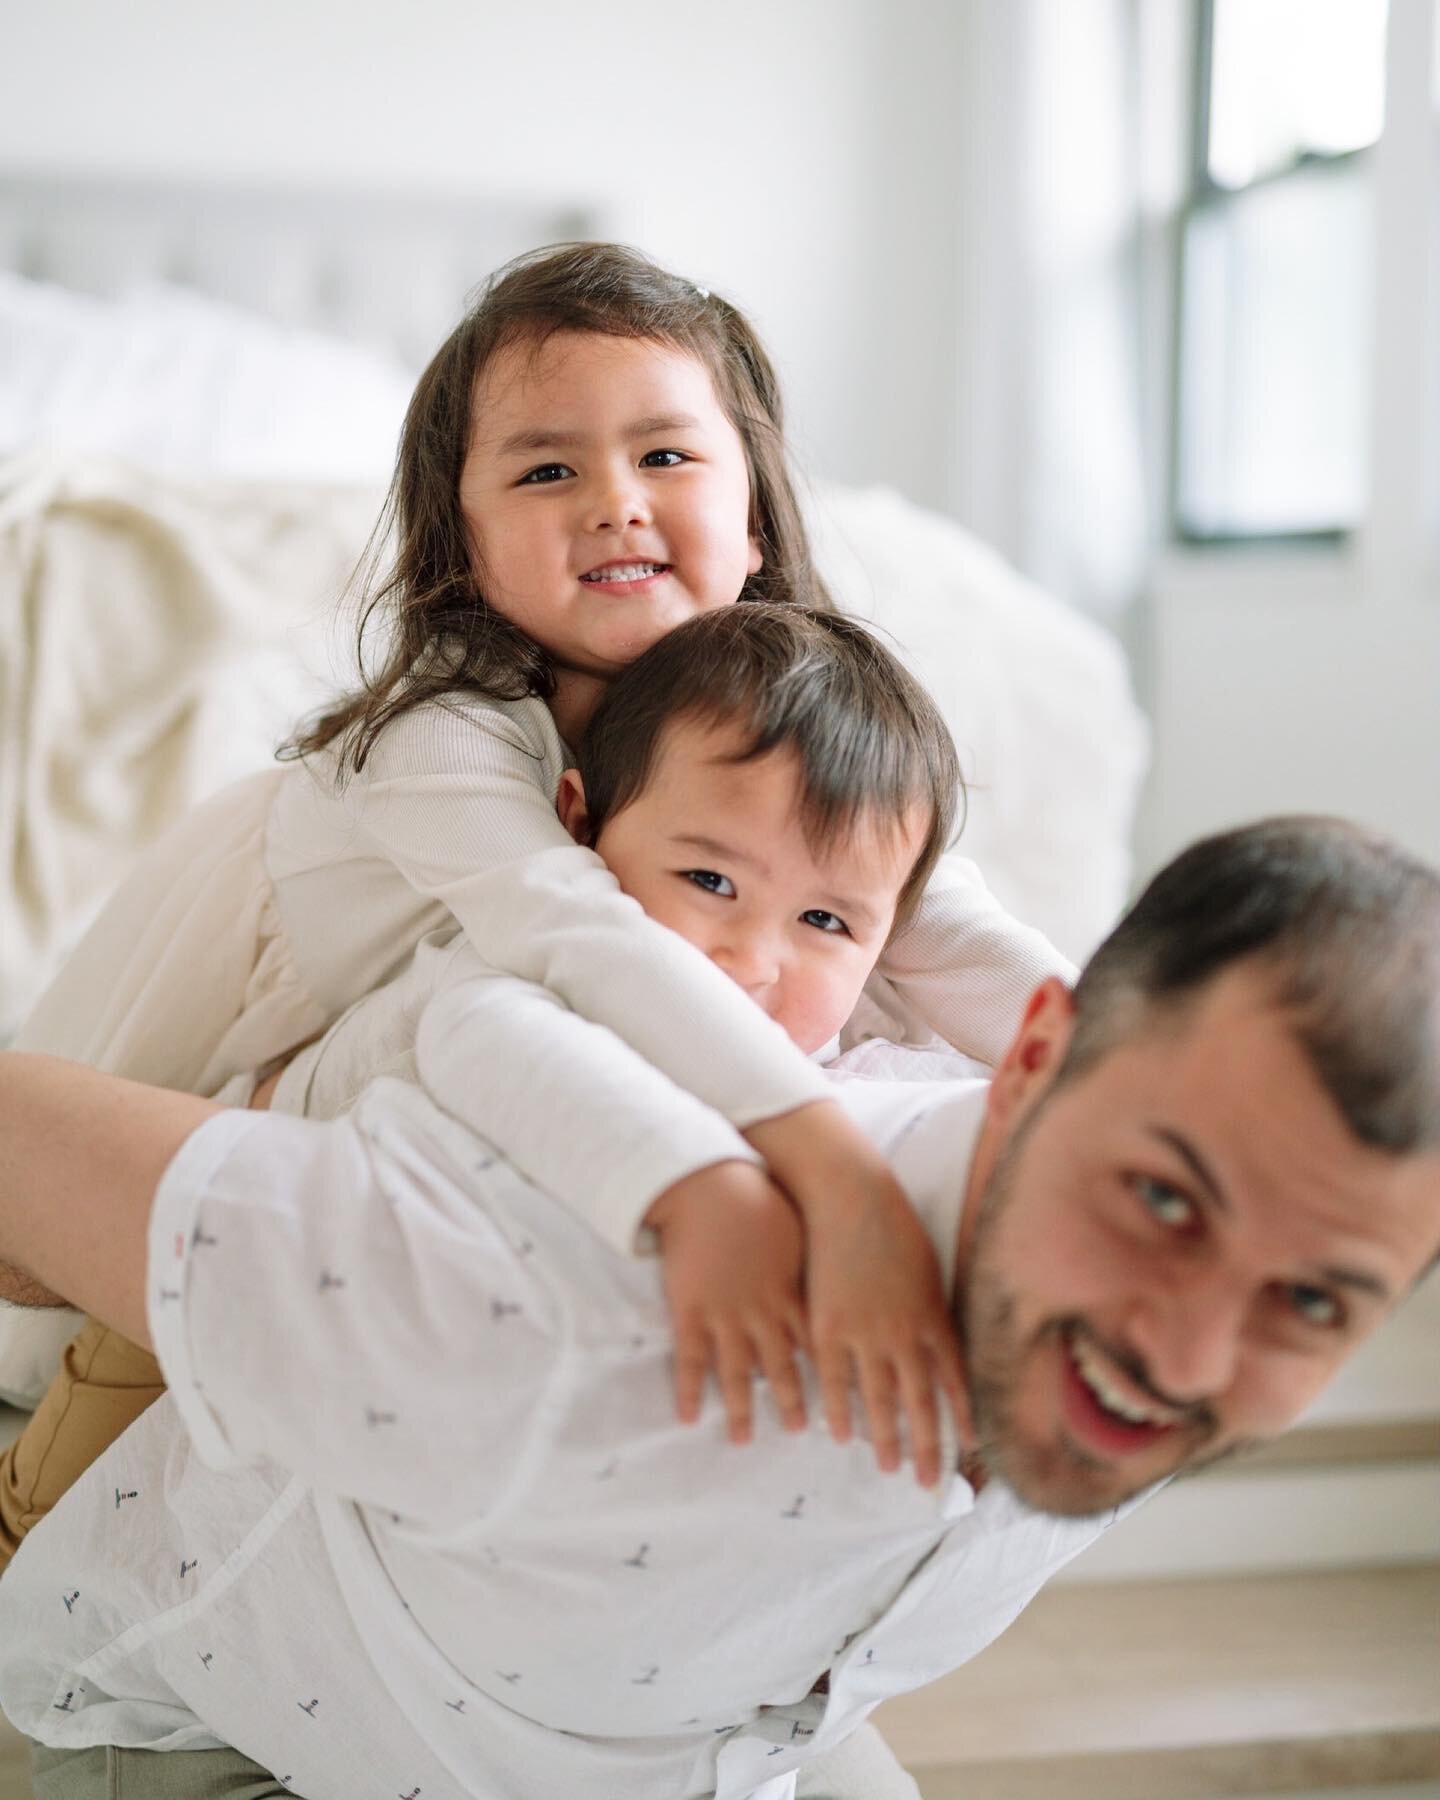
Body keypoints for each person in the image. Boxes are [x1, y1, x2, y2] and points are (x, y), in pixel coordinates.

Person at [0, 242, 1070, 1567]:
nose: (616, 503)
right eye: (547, 469)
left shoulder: (765, 715)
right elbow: (576, 937)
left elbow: (920, 907)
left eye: (667, 459)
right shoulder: (442, 737)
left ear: (754, 523)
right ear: (462, 545)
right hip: (192, 1095)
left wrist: (1093, 1048)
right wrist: (829, 1172)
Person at [0, 815, 1436, 1800]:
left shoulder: (1112, 1354)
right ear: (1034, 1056)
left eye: (1313, 1302)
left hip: (694, 1735)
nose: (1184, 1352)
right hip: (198, 1744)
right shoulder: (554, 1308)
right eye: (1164, 1206)